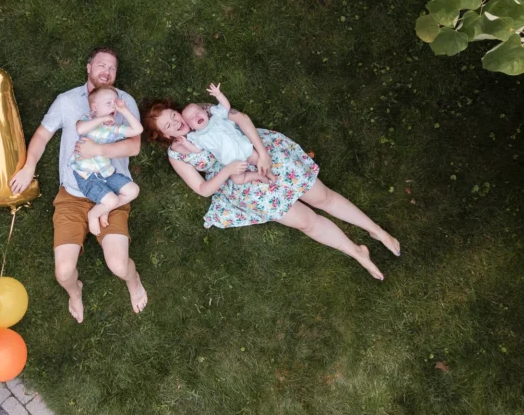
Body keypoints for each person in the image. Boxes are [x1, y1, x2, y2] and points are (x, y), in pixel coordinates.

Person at [142, 98, 401, 281]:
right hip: (242, 182)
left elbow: (242, 119)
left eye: (173, 115)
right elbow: (202, 189)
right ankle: (357, 252)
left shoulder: (199, 112)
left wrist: (263, 153)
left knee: (322, 197)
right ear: (164, 136)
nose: (176, 122)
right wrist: (228, 170)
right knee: (306, 222)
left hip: (258, 152)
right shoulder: (177, 155)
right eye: (167, 125)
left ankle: (377, 230)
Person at [9, 47, 147, 323]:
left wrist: (98, 150)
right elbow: (42, 135)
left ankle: (133, 281)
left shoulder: (123, 101)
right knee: (63, 273)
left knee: (119, 265)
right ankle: (75, 291)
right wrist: (29, 167)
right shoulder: (67, 101)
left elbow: (134, 146)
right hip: (73, 194)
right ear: (88, 68)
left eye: (112, 68)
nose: (107, 72)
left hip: (112, 189)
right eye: (101, 65)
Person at [68, 85, 143, 236]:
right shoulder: (87, 119)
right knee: (112, 200)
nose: (113, 106)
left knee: (133, 190)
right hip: (87, 176)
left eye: (115, 103)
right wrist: (102, 119)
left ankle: (105, 208)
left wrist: (124, 110)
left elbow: (137, 130)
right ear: (95, 107)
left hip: (106, 173)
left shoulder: (114, 128)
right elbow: (80, 129)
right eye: (109, 103)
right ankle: (93, 214)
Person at [178, 82, 276, 185]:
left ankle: (269, 174)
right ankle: (257, 176)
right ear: (191, 126)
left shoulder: (216, 116)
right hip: (232, 162)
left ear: (205, 112)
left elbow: (226, 107)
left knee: (259, 160)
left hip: (243, 147)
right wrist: (185, 143)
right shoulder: (197, 137)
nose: (196, 117)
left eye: (197, 113)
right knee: (238, 180)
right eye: (192, 118)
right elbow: (197, 149)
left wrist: (218, 94)